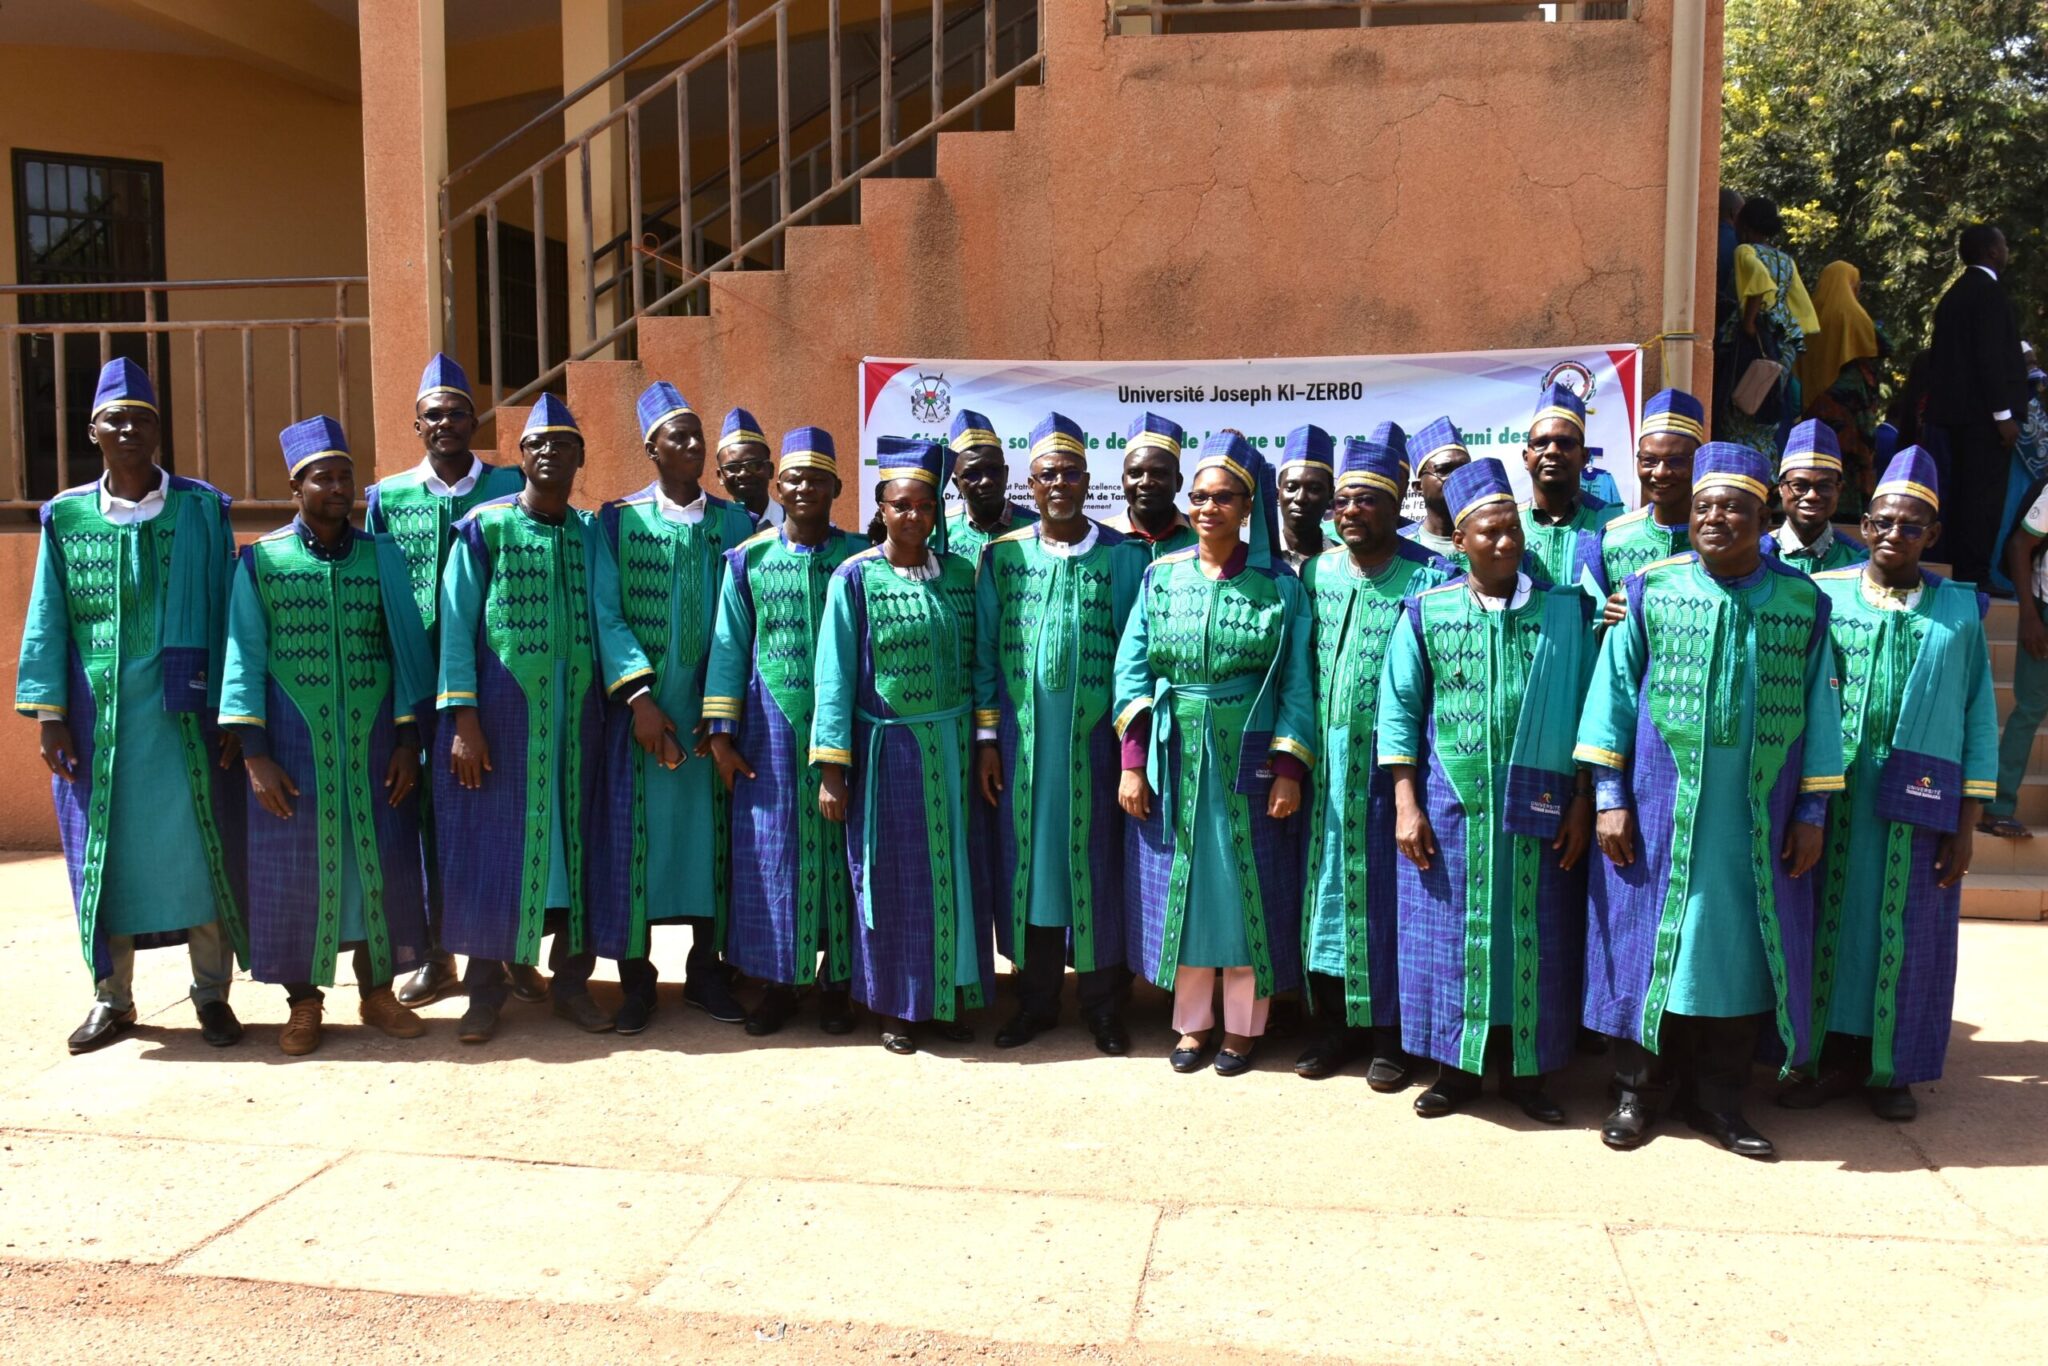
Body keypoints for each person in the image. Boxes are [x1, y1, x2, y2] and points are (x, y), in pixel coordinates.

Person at [1578, 441, 1844, 1159]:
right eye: (1703, 507)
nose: (1714, 518)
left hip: (1757, 820)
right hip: (1657, 813)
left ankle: (1720, 1102)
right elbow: (1610, 694)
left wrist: (1813, 811)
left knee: (1738, 953)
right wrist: (1609, 795)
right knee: (1645, 945)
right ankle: (1639, 1093)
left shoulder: (1800, 600)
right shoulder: (1650, 589)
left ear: (1766, 515)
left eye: (1733, 506)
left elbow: (1822, 712)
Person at [17, 357, 247, 1054]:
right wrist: (51, 712)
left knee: (200, 853)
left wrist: (235, 712)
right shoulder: (66, 515)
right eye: (115, 418)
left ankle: (211, 996)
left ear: (158, 431)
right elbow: (49, 615)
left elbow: (231, 615)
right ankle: (111, 1000)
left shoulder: (204, 508)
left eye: (141, 419)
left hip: (189, 716)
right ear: (94, 431)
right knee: (105, 859)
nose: (129, 429)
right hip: (101, 721)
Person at [1377, 458, 1594, 1121]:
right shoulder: (1427, 612)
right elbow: (1400, 712)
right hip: (1451, 811)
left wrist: (1585, 801)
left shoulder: (1564, 614)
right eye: (1489, 533)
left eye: (1512, 531)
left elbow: (1593, 711)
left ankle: (1529, 1077)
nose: (1505, 543)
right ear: (1462, 538)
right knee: (1451, 940)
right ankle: (1458, 1072)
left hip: (1544, 809)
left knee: (1534, 937)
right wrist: (1407, 804)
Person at [1787, 449, 1995, 1121]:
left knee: (1907, 933)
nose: (1892, 536)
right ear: (1866, 522)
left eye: (1910, 527)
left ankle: (1891, 1069)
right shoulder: (1828, 594)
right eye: (1881, 522)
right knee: (1830, 926)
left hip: (1921, 809)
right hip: (1838, 800)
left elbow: (1977, 716)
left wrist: (1966, 827)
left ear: (1931, 536)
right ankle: (1823, 1059)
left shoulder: (1959, 612)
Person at [435, 394, 648, 1044]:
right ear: (522, 456)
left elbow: (609, 617)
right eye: (540, 444)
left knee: (575, 845)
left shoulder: (589, 533)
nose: (552, 453)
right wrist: (463, 720)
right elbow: (455, 624)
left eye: (565, 444)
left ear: (581, 458)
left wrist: (637, 695)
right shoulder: (484, 527)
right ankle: (483, 990)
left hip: (579, 719)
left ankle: (570, 982)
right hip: (503, 716)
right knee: (491, 849)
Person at [220, 416, 436, 1055]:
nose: (339, 488)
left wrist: (406, 741)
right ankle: (304, 1004)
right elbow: (243, 655)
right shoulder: (262, 562)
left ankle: (377, 995)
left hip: (374, 741)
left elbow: (406, 651)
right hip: (292, 741)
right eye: (324, 478)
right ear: (297, 486)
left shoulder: (383, 557)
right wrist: (255, 756)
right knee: (296, 871)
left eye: (346, 477)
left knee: (383, 864)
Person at [1113, 431, 1314, 1077]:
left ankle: (1245, 1026)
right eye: (1198, 497)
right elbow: (1132, 671)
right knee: (1189, 887)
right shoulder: (1159, 576)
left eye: (1222, 497)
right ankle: (1192, 1025)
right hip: (1175, 755)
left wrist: (1287, 768)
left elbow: (1296, 683)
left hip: (1246, 753)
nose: (1207, 508)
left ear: (1246, 506)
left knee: (1242, 887)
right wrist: (1133, 762)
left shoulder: (1278, 585)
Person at [972, 412, 1148, 1054]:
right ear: (1031, 481)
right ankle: (1037, 1002)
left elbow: (1141, 655)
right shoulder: (1003, 557)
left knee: (1095, 867)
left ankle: (1103, 1006)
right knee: (1031, 869)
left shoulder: (1126, 558)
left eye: (1072, 473)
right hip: (1022, 752)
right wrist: (988, 743)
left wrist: (1133, 753)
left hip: (1095, 746)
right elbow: (984, 656)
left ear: (1087, 480)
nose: (1060, 485)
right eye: (1048, 475)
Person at [812, 436, 992, 1053]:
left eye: (923, 506)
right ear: (881, 510)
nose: (912, 516)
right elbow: (833, 675)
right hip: (889, 755)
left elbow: (981, 663)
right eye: (900, 505)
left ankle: (944, 998)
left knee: (952, 877)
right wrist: (832, 767)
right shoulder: (855, 578)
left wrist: (985, 741)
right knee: (893, 879)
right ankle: (897, 1006)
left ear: (937, 512)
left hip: (954, 749)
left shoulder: (963, 575)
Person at [590, 382, 756, 1035]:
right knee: (639, 842)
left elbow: (737, 623)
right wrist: (640, 700)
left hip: (709, 713)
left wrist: (720, 719)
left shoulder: (735, 523)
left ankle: (706, 971)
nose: (691, 445)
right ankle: (636, 981)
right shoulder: (618, 520)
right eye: (677, 436)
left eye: (697, 435)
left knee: (710, 842)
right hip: (642, 717)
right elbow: (607, 611)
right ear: (651, 447)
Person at [367, 354, 526, 1011]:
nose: (448, 423)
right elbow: (377, 589)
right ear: (417, 424)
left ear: (476, 420)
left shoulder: (511, 484)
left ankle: (511, 952)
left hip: (493, 679)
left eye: (459, 412)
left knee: (501, 812)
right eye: (435, 414)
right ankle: (438, 955)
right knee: (425, 819)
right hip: (413, 676)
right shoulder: (388, 497)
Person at [1294, 435, 1449, 1087]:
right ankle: (1334, 1029)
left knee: (1390, 900)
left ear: (1395, 507)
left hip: (1394, 771)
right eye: (1342, 500)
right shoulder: (1317, 573)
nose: (1350, 510)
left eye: (1367, 500)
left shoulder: (1429, 576)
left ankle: (1392, 1036)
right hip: (1324, 768)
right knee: (1326, 895)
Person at [705, 426, 863, 1036]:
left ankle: (838, 985)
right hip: (770, 729)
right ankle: (779, 983)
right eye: (793, 479)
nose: (803, 488)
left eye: (816, 479)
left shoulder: (856, 559)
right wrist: (721, 735)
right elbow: (728, 647)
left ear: (835, 488)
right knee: (772, 855)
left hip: (847, 725)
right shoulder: (748, 559)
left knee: (840, 851)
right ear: (778, 487)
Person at [1925, 225, 2030, 585]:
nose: (2007, 250)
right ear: (1991, 251)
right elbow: (1990, 358)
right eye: (2004, 244)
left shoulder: (1954, 295)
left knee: (1963, 494)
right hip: (1985, 420)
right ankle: (1974, 574)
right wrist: (2003, 415)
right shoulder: (1989, 293)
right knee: (1982, 500)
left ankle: (1960, 568)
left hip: (1956, 417)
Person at [1719, 196, 1819, 462]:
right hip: (1781, 346)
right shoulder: (1786, 261)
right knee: (1766, 413)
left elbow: (1759, 283)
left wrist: (1750, 323)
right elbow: (1802, 308)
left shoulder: (1745, 252)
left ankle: (1737, 467)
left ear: (1744, 224)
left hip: (1752, 343)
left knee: (1740, 410)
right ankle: (1766, 470)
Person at [1588, 390, 1705, 604]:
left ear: (1698, 462)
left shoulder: (1722, 540)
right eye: (1649, 460)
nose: (1660, 472)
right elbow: (1589, 620)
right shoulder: (1611, 540)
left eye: (1676, 461)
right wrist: (1606, 621)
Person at [1985, 470, 2048, 840]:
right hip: (2043, 611)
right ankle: (1997, 807)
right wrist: (2028, 615)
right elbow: (2020, 545)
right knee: (2029, 709)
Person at [1799, 262, 1889, 516]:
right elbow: (1884, 346)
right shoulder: (1857, 316)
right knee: (1849, 472)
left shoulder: (1810, 316)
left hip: (1814, 411)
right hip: (1851, 415)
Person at [1519, 383, 1619, 585]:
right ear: (1525, 458)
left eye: (1565, 442)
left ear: (1584, 457)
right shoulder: (1511, 525)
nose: (1552, 451)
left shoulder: (1614, 522)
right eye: (1540, 443)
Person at [941, 408, 1037, 564]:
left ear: (1006, 473)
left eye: (993, 470)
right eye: (972, 475)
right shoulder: (939, 534)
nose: (986, 481)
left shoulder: (1037, 529)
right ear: (956, 484)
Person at [1771, 420, 1867, 573]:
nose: (1812, 496)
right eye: (1799, 485)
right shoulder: (1757, 556)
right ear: (1782, 488)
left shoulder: (1859, 564)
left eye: (1824, 486)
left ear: (1839, 489)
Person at [1105, 413, 1195, 558]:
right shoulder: (1101, 538)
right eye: (1135, 473)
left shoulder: (1203, 536)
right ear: (1123, 481)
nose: (1145, 482)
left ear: (1178, 482)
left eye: (1158, 473)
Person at [1406, 417, 1470, 561]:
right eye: (1444, 470)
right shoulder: (1400, 546)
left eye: (1464, 468)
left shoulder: (1493, 540)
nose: (1456, 477)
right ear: (1418, 487)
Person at [1276, 424, 1336, 569]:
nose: (1300, 498)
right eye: (1291, 488)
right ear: (1278, 494)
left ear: (1330, 496)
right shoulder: (1256, 562)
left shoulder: (1346, 562)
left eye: (1314, 489)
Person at [715, 406, 782, 528]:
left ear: (770, 470)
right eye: (732, 467)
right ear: (720, 476)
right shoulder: (715, 529)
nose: (743, 474)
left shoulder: (796, 525)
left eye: (753, 465)